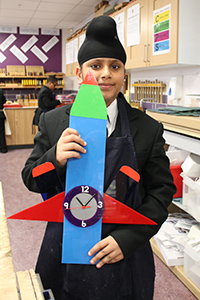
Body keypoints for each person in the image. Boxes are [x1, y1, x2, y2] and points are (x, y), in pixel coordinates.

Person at [22, 16, 176, 300]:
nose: (105, 73)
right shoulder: (54, 122)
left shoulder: (147, 128)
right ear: (80, 75)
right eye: (96, 66)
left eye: (114, 66)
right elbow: (31, 178)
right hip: (65, 245)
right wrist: (54, 157)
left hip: (123, 252)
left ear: (123, 75)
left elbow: (161, 192)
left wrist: (128, 239)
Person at [0, 89, 8, 153]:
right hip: (0, 114)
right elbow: (4, 101)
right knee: (1, 131)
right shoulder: (0, 90)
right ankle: (3, 148)